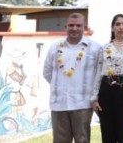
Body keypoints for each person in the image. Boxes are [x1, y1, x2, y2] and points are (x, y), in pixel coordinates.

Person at [43, 13, 102, 143]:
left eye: (78, 25)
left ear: (84, 27)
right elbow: (47, 72)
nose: (74, 28)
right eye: (71, 25)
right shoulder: (55, 47)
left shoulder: (95, 48)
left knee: (82, 140)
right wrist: (59, 86)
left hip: (83, 104)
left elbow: (99, 75)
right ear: (65, 27)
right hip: (59, 104)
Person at [91, 14, 123, 143]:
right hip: (106, 91)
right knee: (108, 133)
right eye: (117, 24)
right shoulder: (103, 49)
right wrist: (94, 98)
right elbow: (98, 72)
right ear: (112, 28)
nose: (121, 27)